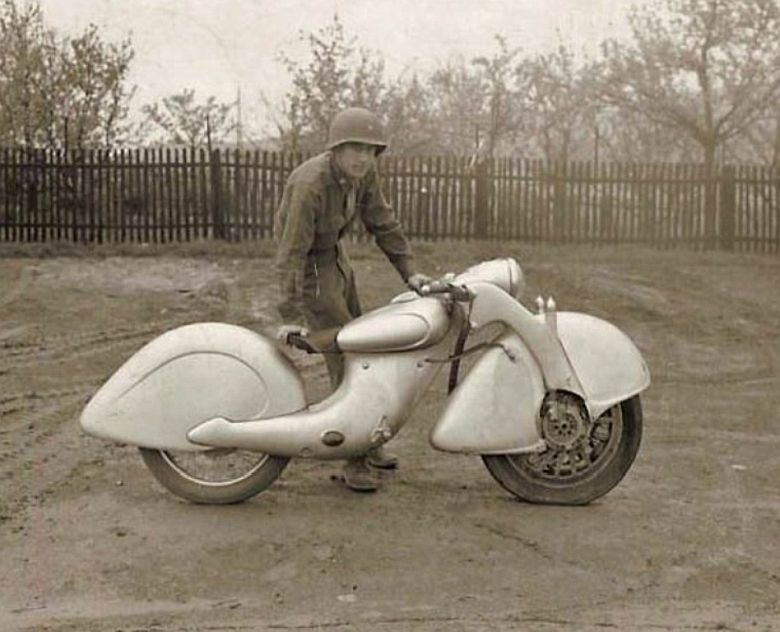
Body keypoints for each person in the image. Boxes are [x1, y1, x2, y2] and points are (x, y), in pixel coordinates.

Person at [274, 106, 431, 493]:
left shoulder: (363, 175)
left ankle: (368, 439)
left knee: (367, 344)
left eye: (370, 149)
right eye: (355, 148)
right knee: (346, 357)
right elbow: (291, 252)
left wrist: (410, 272)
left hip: (334, 259)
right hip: (311, 266)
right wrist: (291, 313)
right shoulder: (311, 185)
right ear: (336, 149)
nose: (363, 157)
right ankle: (352, 455)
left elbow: (383, 222)